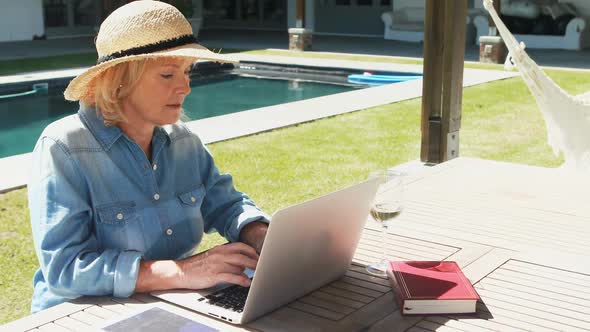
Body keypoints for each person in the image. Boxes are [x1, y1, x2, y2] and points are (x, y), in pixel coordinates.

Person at [28, 0, 270, 313]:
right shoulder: (64, 148)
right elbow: (66, 269)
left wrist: (263, 237)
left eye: (187, 72)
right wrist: (181, 272)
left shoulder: (184, 142)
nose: (185, 88)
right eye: (168, 75)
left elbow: (227, 205)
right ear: (119, 80)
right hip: (78, 315)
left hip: (164, 304)